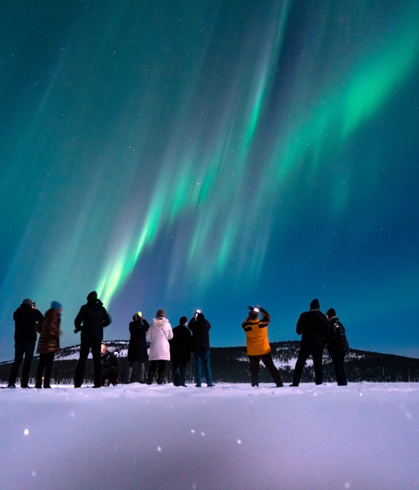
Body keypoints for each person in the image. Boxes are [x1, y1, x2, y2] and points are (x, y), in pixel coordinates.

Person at [74, 291, 111, 388]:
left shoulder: (85, 308)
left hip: (86, 336)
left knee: (82, 359)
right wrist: (99, 326)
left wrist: (81, 327)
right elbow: (108, 321)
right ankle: (98, 383)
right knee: (97, 360)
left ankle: (78, 383)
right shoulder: (102, 309)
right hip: (98, 337)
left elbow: (77, 321)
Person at [291, 299, 330, 387]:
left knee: (300, 363)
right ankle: (319, 383)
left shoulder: (304, 315)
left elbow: (298, 330)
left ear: (310, 307)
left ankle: (295, 382)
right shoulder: (323, 317)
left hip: (306, 343)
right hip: (319, 344)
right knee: (318, 365)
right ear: (319, 307)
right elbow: (328, 331)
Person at [242, 306, 283, 387]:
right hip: (264, 350)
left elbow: (244, 323)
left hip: (252, 352)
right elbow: (267, 317)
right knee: (271, 368)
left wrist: (250, 316)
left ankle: (254, 385)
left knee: (254, 371)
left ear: (250, 317)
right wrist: (260, 309)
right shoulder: (262, 324)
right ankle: (279, 383)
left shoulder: (247, 327)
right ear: (257, 316)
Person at [8, 298, 44, 388]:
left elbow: (15, 318)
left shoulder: (17, 312)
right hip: (30, 340)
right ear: (30, 305)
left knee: (17, 361)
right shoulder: (32, 312)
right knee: (27, 362)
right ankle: (24, 383)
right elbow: (42, 319)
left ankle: (11, 382)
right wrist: (36, 310)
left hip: (19, 340)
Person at [35, 301, 62, 388]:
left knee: (41, 364)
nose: (61, 309)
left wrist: (43, 332)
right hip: (50, 343)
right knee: (49, 365)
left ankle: (38, 384)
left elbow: (37, 327)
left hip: (43, 342)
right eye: (60, 307)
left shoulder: (46, 316)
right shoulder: (55, 316)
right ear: (57, 308)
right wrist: (57, 333)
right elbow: (53, 328)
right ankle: (46, 384)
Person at [146, 309, 173, 384]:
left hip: (154, 346)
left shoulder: (152, 325)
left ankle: (149, 380)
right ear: (164, 316)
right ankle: (160, 380)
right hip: (164, 347)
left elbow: (148, 336)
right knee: (162, 364)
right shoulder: (168, 325)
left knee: (153, 364)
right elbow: (171, 336)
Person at [188, 309, 214, 387]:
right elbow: (209, 325)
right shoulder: (206, 325)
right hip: (205, 348)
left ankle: (198, 383)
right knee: (207, 366)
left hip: (196, 348)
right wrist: (202, 318)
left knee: (198, 366)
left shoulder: (195, 325)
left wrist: (194, 318)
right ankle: (209, 382)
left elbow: (189, 325)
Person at [326, 308, 349, 386]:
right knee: (341, 367)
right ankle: (343, 383)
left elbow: (333, 336)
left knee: (338, 367)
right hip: (343, 347)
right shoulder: (339, 324)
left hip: (336, 348)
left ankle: (341, 384)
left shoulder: (332, 324)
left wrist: (326, 341)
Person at [126, 312, 149, 383]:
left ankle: (128, 379)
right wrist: (143, 320)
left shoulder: (131, 325)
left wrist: (140, 319)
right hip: (141, 347)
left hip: (133, 346)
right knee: (141, 363)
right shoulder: (142, 327)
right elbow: (148, 326)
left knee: (131, 363)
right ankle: (141, 379)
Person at [170, 316, 193, 387]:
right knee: (182, 368)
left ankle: (176, 383)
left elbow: (170, 341)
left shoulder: (174, 330)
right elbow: (190, 343)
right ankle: (182, 382)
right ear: (185, 322)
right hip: (183, 353)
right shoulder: (187, 331)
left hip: (175, 352)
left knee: (175, 368)